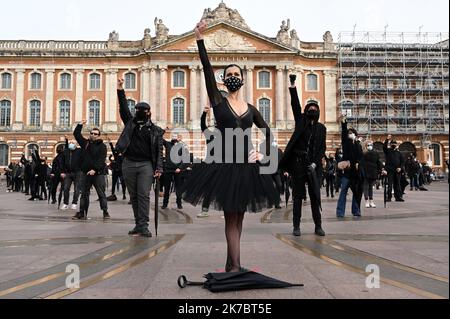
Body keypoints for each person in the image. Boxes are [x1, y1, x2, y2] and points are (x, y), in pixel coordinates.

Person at [182, 21, 279, 273]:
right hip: (224, 164)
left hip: (247, 165)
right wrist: (200, 39)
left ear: (243, 79)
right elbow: (205, 68)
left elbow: (268, 132)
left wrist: (262, 152)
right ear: (224, 80)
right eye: (230, 75)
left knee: (240, 216)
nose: (233, 77)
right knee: (230, 216)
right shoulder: (218, 100)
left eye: (237, 74)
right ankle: (235, 266)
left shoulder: (252, 109)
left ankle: (230, 263)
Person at [279, 74, 326, 237]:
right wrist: (292, 86)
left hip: (313, 166)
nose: (312, 110)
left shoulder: (322, 128)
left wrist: (315, 163)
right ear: (306, 112)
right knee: (297, 197)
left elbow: (322, 148)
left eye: (314, 109)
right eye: (310, 109)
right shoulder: (301, 121)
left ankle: (318, 225)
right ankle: (296, 226)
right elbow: (295, 104)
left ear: (318, 112)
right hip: (298, 164)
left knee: (315, 196)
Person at [116, 79, 164, 238]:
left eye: (142, 109)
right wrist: (120, 89)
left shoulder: (155, 130)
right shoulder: (131, 123)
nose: (139, 111)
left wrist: (159, 168)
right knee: (134, 196)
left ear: (149, 112)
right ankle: (138, 224)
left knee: (143, 195)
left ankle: (144, 225)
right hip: (128, 163)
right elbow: (123, 108)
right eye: (137, 109)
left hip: (145, 165)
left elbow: (159, 151)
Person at [72, 122, 109, 220]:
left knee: (101, 193)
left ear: (98, 136)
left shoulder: (102, 146)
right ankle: (82, 212)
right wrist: (80, 125)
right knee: (84, 194)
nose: (93, 135)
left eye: (95, 134)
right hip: (85, 173)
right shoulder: (85, 143)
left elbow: (101, 160)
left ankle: (105, 211)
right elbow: (76, 134)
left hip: (98, 174)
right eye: (91, 133)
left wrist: (95, 169)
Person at [336, 115, 363, 217]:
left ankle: (356, 211)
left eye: (351, 133)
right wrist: (344, 123)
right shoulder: (346, 143)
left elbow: (360, 156)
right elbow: (343, 133)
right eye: (349, 133)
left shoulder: (358, 145)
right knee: (343, 192)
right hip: (347, 172)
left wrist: (358, 163)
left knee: (356, 193)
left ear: (355, 135)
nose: (350, 134)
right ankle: (340, 212)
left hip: (355, 173)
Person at [60, 137, 82, 210]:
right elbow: (62, 163)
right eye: (70, 143)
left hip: (77, 173)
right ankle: (65, 203)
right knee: (66, 188)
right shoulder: (65, 151)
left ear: (76, 144)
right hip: (68, 173)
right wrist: (62, 172)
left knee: (77, 189)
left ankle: (74, 203)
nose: (71, 144)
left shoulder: (80, 151)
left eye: (73, 143)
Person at [361, 140, 384, 208]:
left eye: (370, 145)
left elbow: (378, 162)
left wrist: (382, 169)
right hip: (366, 171)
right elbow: (361, 163)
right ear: (365, 146)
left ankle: (371, 200)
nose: (369, 146)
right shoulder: (363, 153)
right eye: (368, 145)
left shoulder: (375, 153)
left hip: (373, 171)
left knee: (371, 187)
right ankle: (366, 201)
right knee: (366, 187)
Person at [383, 135, 405, 202]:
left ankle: (398, 197)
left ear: (396, 145)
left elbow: (402, 162)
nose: (393, 145)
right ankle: (389, 197)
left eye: (394, 144)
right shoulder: (388, 151)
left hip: (397, 170)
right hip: (389, 170)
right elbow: (384, 147)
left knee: (397, 184)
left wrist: (400, 168)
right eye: (392, 144)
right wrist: (387, 139)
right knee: (389, 184)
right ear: (390, 144)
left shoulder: (399, 153)